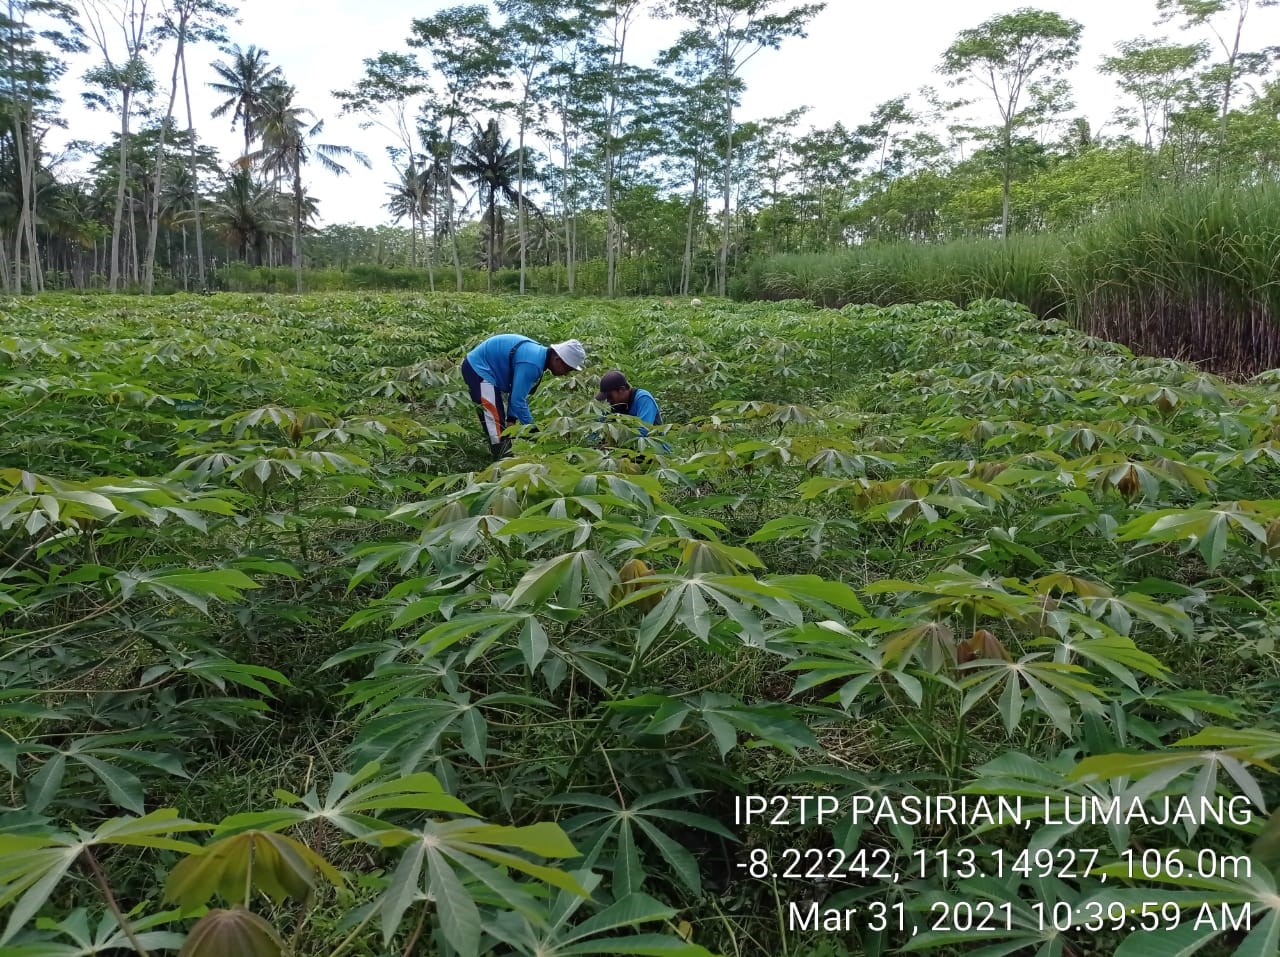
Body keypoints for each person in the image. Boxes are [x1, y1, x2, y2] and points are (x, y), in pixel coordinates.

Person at [461, 334, 586, 459]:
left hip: (488, 370)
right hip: (479, 368)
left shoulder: (538, 357)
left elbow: (516, 392)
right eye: (567, 369)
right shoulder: (532, 363)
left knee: (501, 424)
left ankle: (505, 459)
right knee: (495, 423)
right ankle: (503, 465)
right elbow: (518, 400)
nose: (565, 374)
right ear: (558, 360)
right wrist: (534, 431)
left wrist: (511, 419)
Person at [596, 369, 661, 436]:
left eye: (609, 396)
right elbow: (598, 426)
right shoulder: (614, 404)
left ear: (622, 389)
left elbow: (644, 431)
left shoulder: (643, 398)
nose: (608, 400)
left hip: (652, 445)